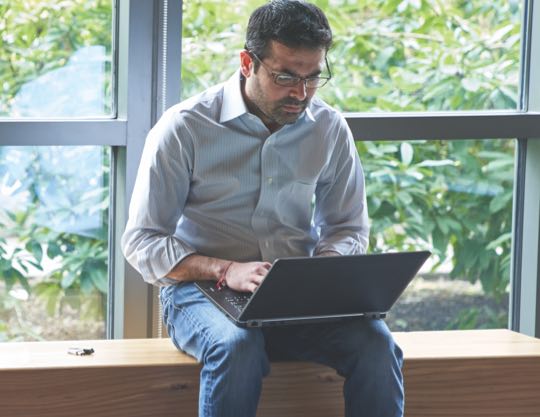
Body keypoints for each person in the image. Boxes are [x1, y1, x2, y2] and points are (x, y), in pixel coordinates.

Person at [121, 1, 404, 416]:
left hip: (300, 296)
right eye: (285, 76)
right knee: (237, 347)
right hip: (201, 294)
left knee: (377, 345)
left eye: (313, 78)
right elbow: (143, 241)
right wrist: (225, 269)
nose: (301, 93)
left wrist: (324, 272)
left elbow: (346, 227)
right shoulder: (184, 128)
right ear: (246, 63)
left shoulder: (328, 128)